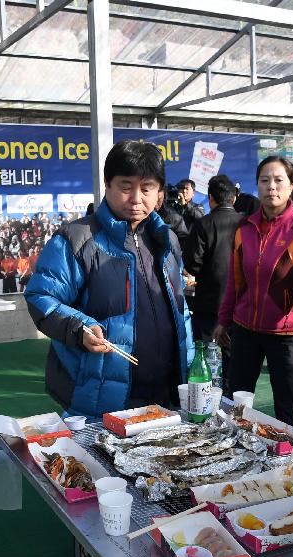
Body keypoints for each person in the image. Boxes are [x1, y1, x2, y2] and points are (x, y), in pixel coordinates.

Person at [24, 140, 193, 417]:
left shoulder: (167, 240)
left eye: (147, 188)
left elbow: (179, 307)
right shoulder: (77, 239)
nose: (137, 198)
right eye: (126, 187)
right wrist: (80, 329)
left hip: (167, 394)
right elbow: (41, 296)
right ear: (108, 184)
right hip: (100, 395)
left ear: (159, 192)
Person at [213, 156, 293, 425]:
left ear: (292, 185)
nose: (270, 187)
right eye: (264, 180)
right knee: (237, 403)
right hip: (245, 330)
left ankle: (288, 464)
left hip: (286, 335)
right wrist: (224, 320)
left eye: (278, 180)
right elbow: (235, 281)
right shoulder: (244, 227)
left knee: (287, 407)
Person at [183, 174, 243, 343]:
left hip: (209, 301)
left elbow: (192, 263)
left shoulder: (203, 224)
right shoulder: (246, 223)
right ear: (234, 198)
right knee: (234, 355)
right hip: (241, 303)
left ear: (211, 198)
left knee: (206, 354)